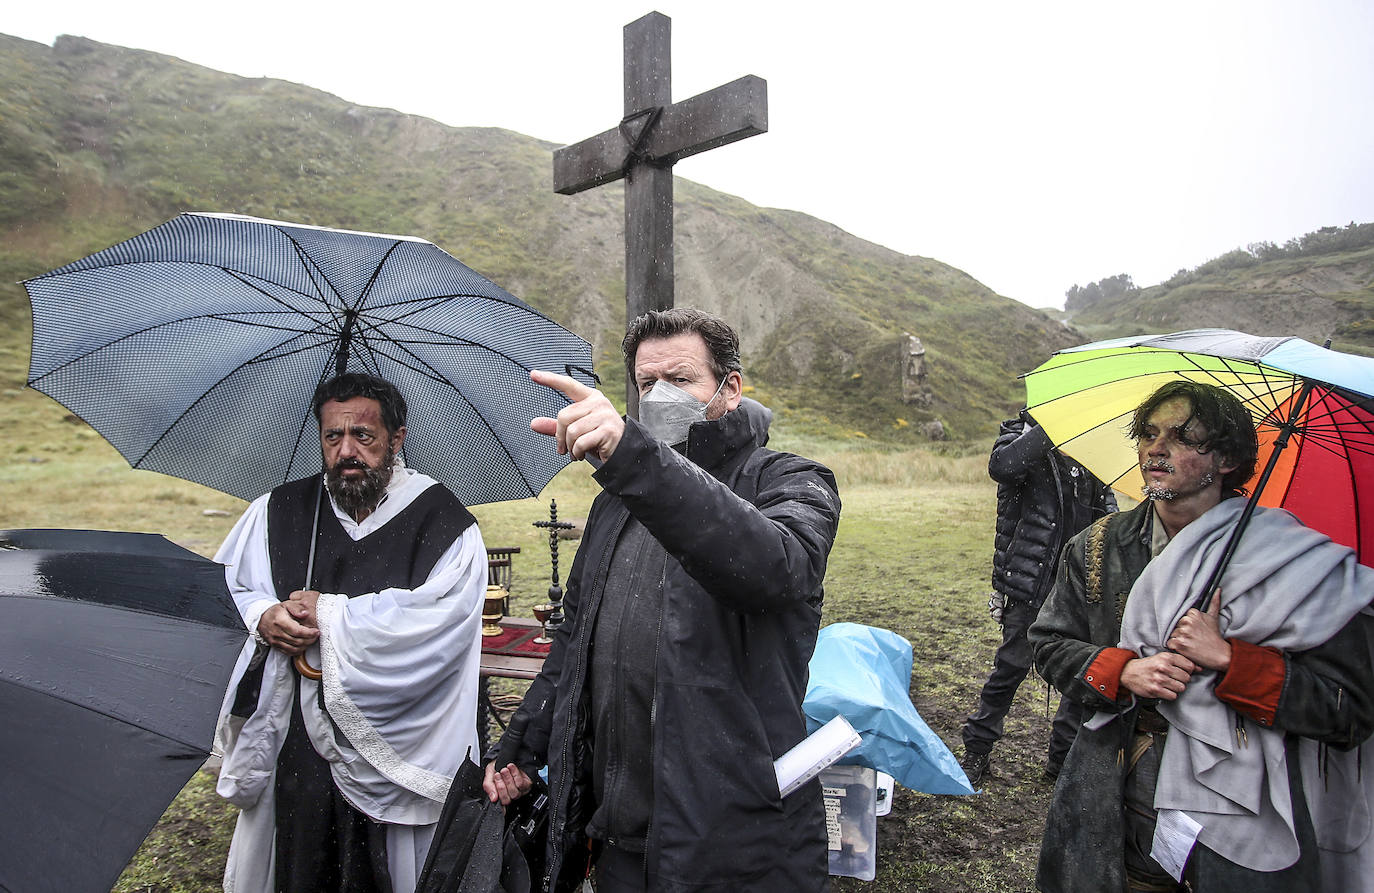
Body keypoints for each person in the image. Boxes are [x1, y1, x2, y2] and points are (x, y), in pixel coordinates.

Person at [482, 308, 842, 893]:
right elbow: (575, 639)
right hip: (621, 831)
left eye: (679, 380)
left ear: (730, 388)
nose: (659, 396)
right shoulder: (616, 502)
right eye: (646, 384)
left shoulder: (790, 481)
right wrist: (524, 743)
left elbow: (772, 569)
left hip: (729, 833)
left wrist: (635, 456)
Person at [1029, 380, 1374, 892]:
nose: (1156, 448)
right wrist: (1122, 669)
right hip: (1118, 787)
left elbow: (1349, 711)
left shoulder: (1295, 563)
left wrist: (1232, 661)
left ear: (1228, 458)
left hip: (1246, 807)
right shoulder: (1098, 546)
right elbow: (1050, 645)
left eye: (1185, 437)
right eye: (1148, 434)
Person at [213, 372, 490, 893]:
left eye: (363, 436)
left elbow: (439, 626)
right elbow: (224, 590)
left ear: (396, 438)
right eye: (333, 436)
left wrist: (333, 616)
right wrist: (264, 616)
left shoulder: (444, 524)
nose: (347, 451)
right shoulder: (277, 511)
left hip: (399, 746)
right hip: (296, 744)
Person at [959, 411, 1116, 786]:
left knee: (1081, 672)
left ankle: (1061, 764)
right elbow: (1003, 466)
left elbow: (1105, 504)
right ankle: (977, 751)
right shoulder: (1020, 435)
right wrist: (1054, 427)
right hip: (1030, 580)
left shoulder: (1087, 444)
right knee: (1010, 668)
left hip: (1079, 581)